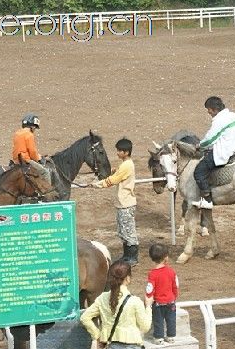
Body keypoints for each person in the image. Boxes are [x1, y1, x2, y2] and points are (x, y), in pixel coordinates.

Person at [81, 260, 153, 349]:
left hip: (110, 344)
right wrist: (148, 306)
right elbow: (145, 327)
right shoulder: (135, 301)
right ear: (128, 278)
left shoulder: (102, 298)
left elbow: (84, 317)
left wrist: (97, 335)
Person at [90, 138, 139, 266]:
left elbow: (113, 180)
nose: (117, 153)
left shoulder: (127, 165)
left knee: (128, 230)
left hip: (126, 203)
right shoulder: (124, 164)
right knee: (123, 230)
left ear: (126, 152)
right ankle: (127, 255)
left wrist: (97, 185)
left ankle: (133, 257)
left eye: (119, 151)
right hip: (122, 203)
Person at [191, 96, 235, 210]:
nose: (208, 112)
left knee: (199, 171)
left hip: (223, 153)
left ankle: (207, 200)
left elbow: (210, 139)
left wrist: (199, 146)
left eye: (209, 110)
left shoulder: (219, 120)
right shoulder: (234, 116)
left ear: (214, 109)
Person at [146, 243, 179, 345]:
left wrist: (147, 303)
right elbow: (175, 286)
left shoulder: (152, 274)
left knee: (158, 321)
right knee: (171, 320)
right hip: (171, 302)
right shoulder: (172, 272)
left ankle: (159, 337)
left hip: (158, 304)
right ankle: (171, 336)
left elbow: (150, 290)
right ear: (166, 257)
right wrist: (174, 296)